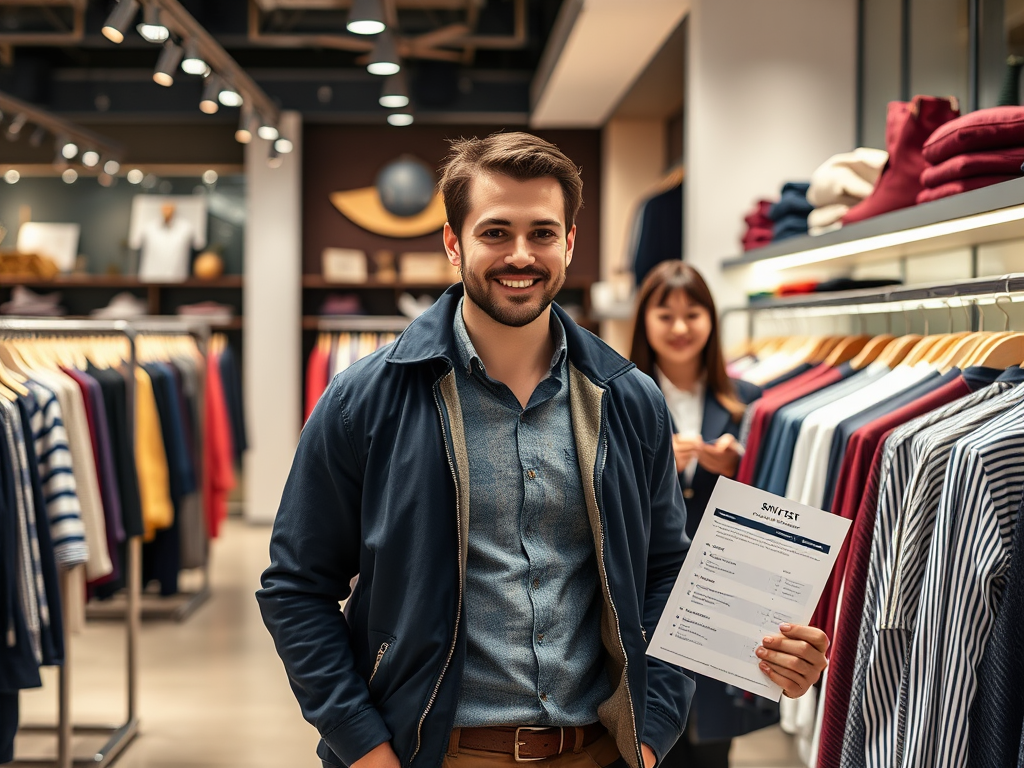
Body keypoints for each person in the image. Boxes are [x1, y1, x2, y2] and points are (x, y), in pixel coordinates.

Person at [256, 132, 829, 768]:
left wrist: (653, 729)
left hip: (597, 751)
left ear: (570, 243)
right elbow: (295, 588)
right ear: (454, 243)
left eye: (543, 233)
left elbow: (666, 571)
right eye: (495, 232)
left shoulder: (629, 399)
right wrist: (363, 748)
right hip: (431, 753)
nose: (521, 255)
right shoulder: (365, 400)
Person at [629, 260, 777, 768]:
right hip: (645, 584)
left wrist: (742, 466)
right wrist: (650, 462)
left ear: (711, 321)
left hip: (722, 588)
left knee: (712, 739)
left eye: (692, 314)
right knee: (642, 728)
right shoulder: (617, 396)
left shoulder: (749, 402)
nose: (679, 328)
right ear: (644, 321)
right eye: (664, 314)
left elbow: (774, 503)